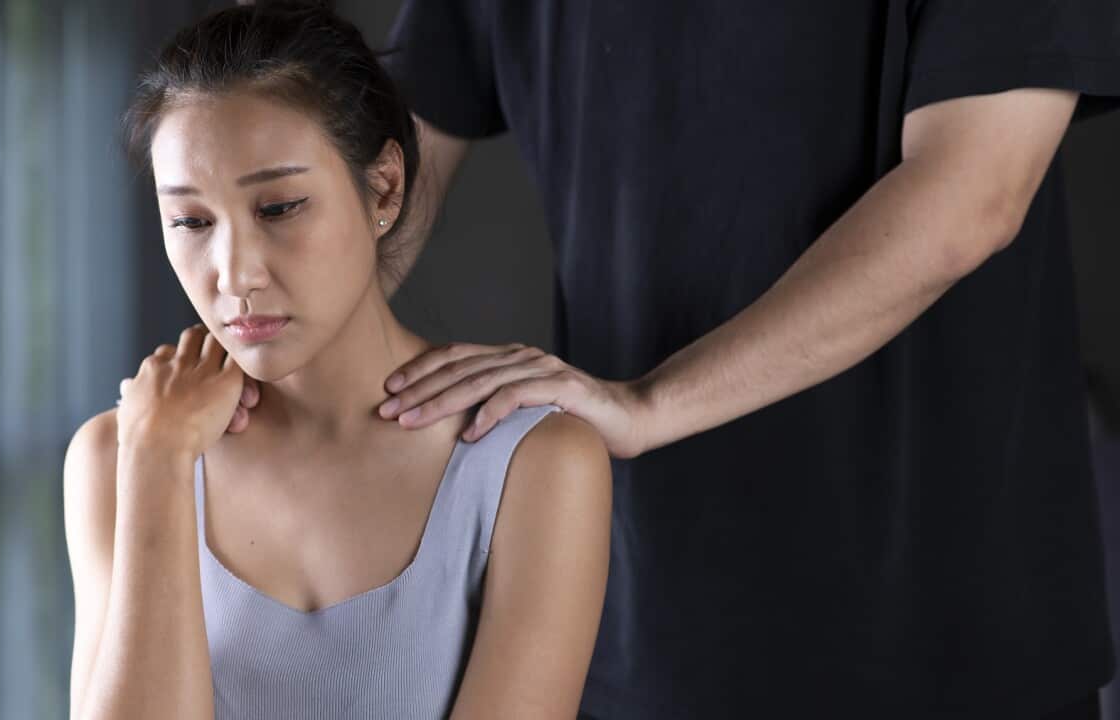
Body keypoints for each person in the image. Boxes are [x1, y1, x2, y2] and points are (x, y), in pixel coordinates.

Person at [343, 1, 1120, 718]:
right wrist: (255, 343)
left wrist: (648, 404)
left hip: (939, 641)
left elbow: (973, 194)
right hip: (640, 636)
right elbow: (389, 170)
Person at [61, 3, 612, 719]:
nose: (235, 275)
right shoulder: (117, 456)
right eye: (192, 221)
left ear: (383, 188)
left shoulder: (534, 464)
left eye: (280, 207)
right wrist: (159, 462)